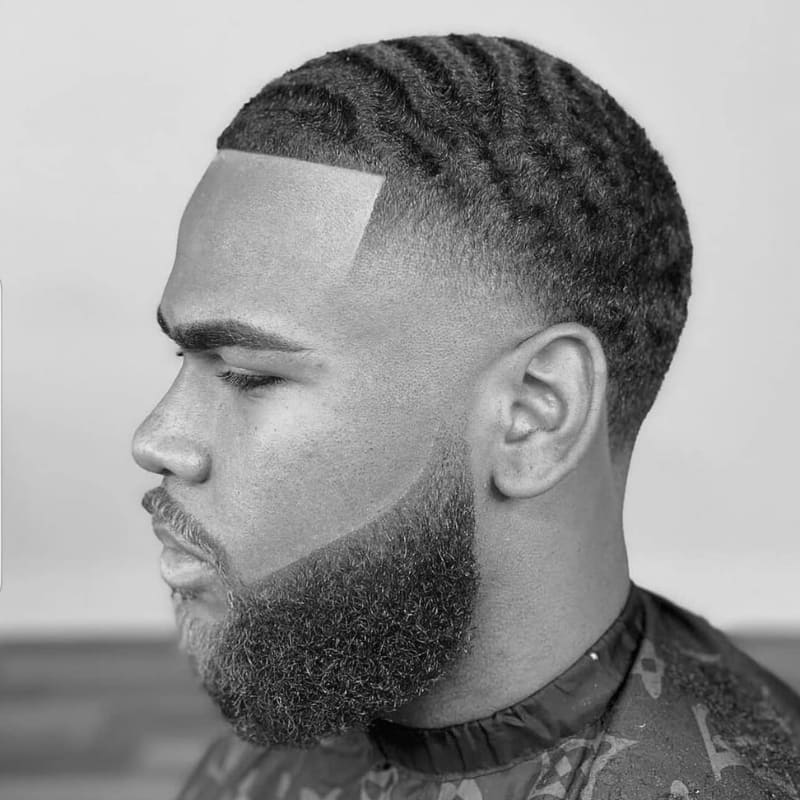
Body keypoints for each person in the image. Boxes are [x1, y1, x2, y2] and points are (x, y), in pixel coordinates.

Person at [132, 33, 800, 800]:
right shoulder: (331, 667)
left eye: (248, 375)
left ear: (534, 414)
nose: (156, 439)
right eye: (181, 356)